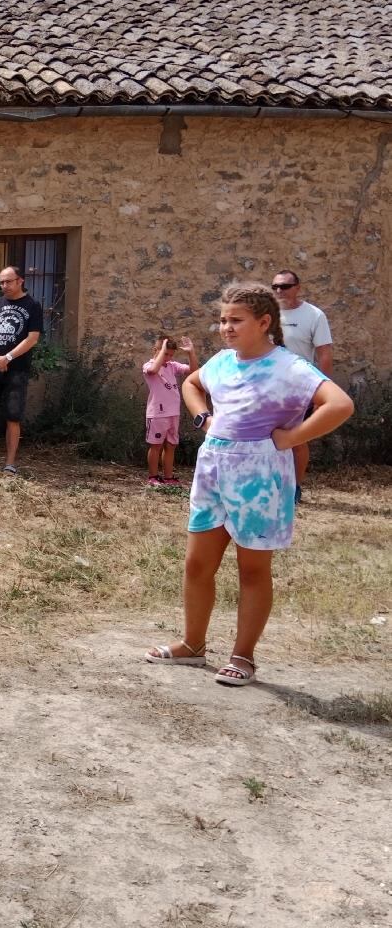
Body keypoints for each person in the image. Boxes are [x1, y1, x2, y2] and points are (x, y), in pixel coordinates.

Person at [145, 282, 353, 686]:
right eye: (223, 320)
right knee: (196, 564)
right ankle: (192, 645)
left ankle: (243, 657)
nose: (226, 327)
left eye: (235, 320)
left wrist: (293, 438)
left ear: (264, 322)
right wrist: (203, 417)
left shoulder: (289, 366)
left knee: (252, 570)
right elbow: (192, 384)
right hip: (214, 471)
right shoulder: (222, 361)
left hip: (261, 477)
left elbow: (340, 405)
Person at [0, 266, 43, 473]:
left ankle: (10, 463)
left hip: (17, 370)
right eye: (1, 282)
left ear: (20, 280)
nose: (4, 286)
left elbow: (33, 338)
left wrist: (8, 357)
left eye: (8, 281)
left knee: (13, 417)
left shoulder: (32, 305)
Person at [272, 269, 333, 504]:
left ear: (298, 287)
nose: (279, 291)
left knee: (297, 439)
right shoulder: (267, 314)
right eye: (275, 286)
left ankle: (295, 487)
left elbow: (324, 355)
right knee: (266, 437)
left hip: (299, 389)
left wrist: (321, 394)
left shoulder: (314, 315)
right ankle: (273, 483)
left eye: (285, 286)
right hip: (266, 387)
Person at [142, 336, 198, 486]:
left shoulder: (171, 366)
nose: (168, 358)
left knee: (171, 445)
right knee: (156, 446)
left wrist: (191, 352)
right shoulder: (149, 365)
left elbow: (193, 370)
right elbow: (153, 370)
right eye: (166, 354)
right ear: (156, 350)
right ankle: (153, 477)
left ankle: (168, 477)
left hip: (173, 413)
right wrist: (163, 349)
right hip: (157, 413)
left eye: (171, 355)